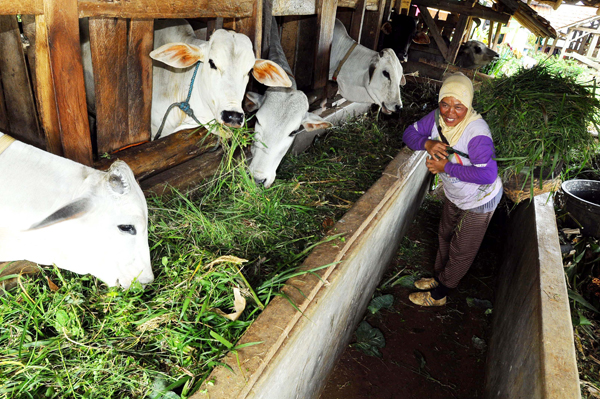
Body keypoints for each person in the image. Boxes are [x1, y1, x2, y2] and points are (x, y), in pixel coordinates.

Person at [402, 73, 503, 307]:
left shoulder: (476, 134)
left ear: (468, 105)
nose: (450, 112)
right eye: (445, 103)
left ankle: (440, 295)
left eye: (459, 106)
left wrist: (444, 166)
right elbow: (409, 133)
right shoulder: (436, 118)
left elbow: (488, 174)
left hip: (480, 199)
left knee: (462, 247)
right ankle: (439, 278)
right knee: (445, 234)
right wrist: (427, 143)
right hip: (456, 193)